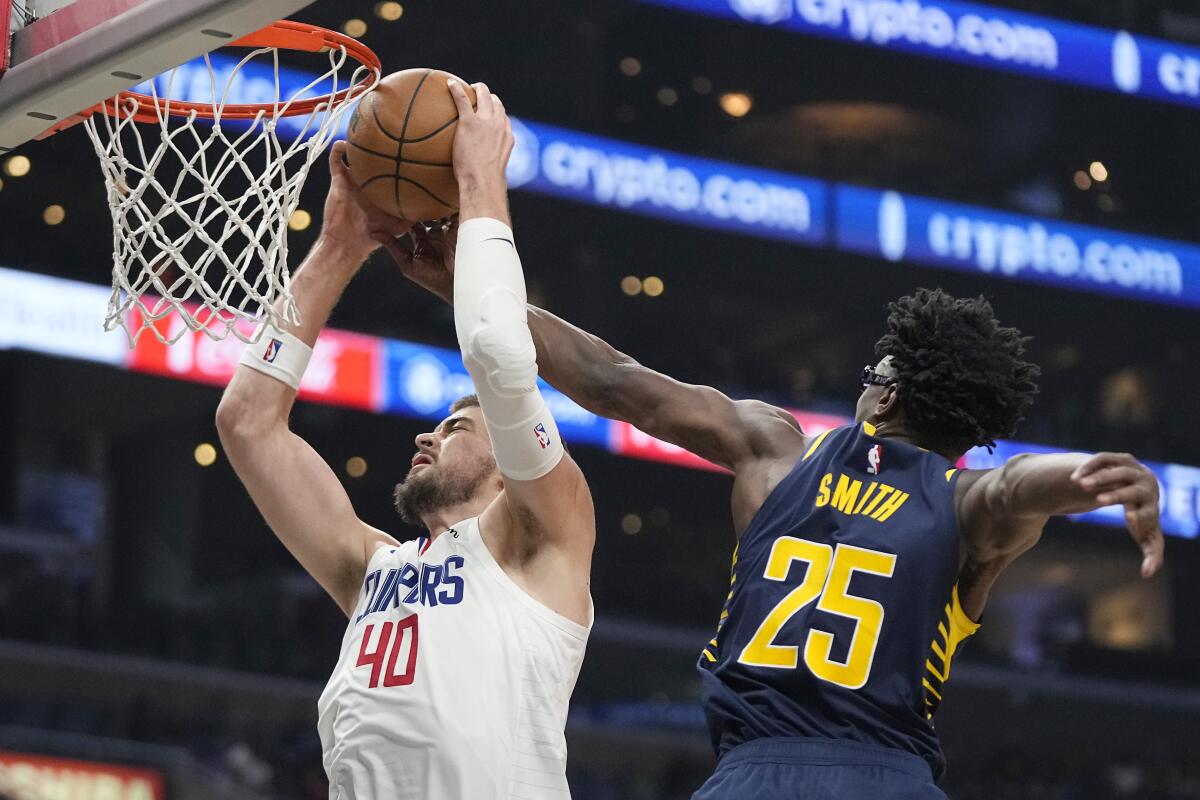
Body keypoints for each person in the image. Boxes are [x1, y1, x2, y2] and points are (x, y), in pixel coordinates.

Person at [391, 221, 1165, 797]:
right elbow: (1020, 484)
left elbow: (617, 381)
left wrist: (479, 298)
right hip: (887, 776)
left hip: (754, 771)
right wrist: (1089, 476)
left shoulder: (776, 452)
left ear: (886, 392)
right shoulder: (965, 509)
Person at [216, 80, 595, 799]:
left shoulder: (545, 534)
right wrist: (337, 246)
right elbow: (247, 423)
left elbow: (503, 363)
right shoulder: (372, 569)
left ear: (511, 467)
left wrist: (480, 179)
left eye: (456, 427)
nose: (428, 435)